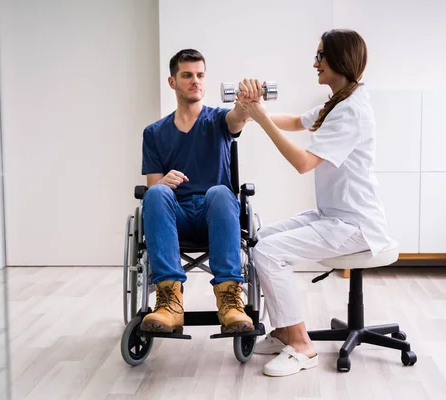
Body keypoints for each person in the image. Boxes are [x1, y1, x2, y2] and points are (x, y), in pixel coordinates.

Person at [236, 29, 392, 377]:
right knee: (258, 240)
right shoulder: (338, 101)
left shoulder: (351, 111)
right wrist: (247, 115)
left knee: (269, 252)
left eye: (321, 56)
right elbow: (294, 122)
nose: (315, 63)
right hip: (333, 215)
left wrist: (259, 116)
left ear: (340, 59)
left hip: (355, 226)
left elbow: (303, 163)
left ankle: (302, 345)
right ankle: (282, 331)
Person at [139, 49, 255, 335]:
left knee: (220, 192)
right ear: (172, 82)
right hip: (175, 218)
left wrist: (246, 103)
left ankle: (230, 302)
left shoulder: (220, 120)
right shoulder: (154, 133)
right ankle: (169, 302)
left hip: (215, 214)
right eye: (187, 75)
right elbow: (154, 186)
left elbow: (239, 117)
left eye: (200, 75)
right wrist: (163, 181)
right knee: (153, 194)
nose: (195, 81)